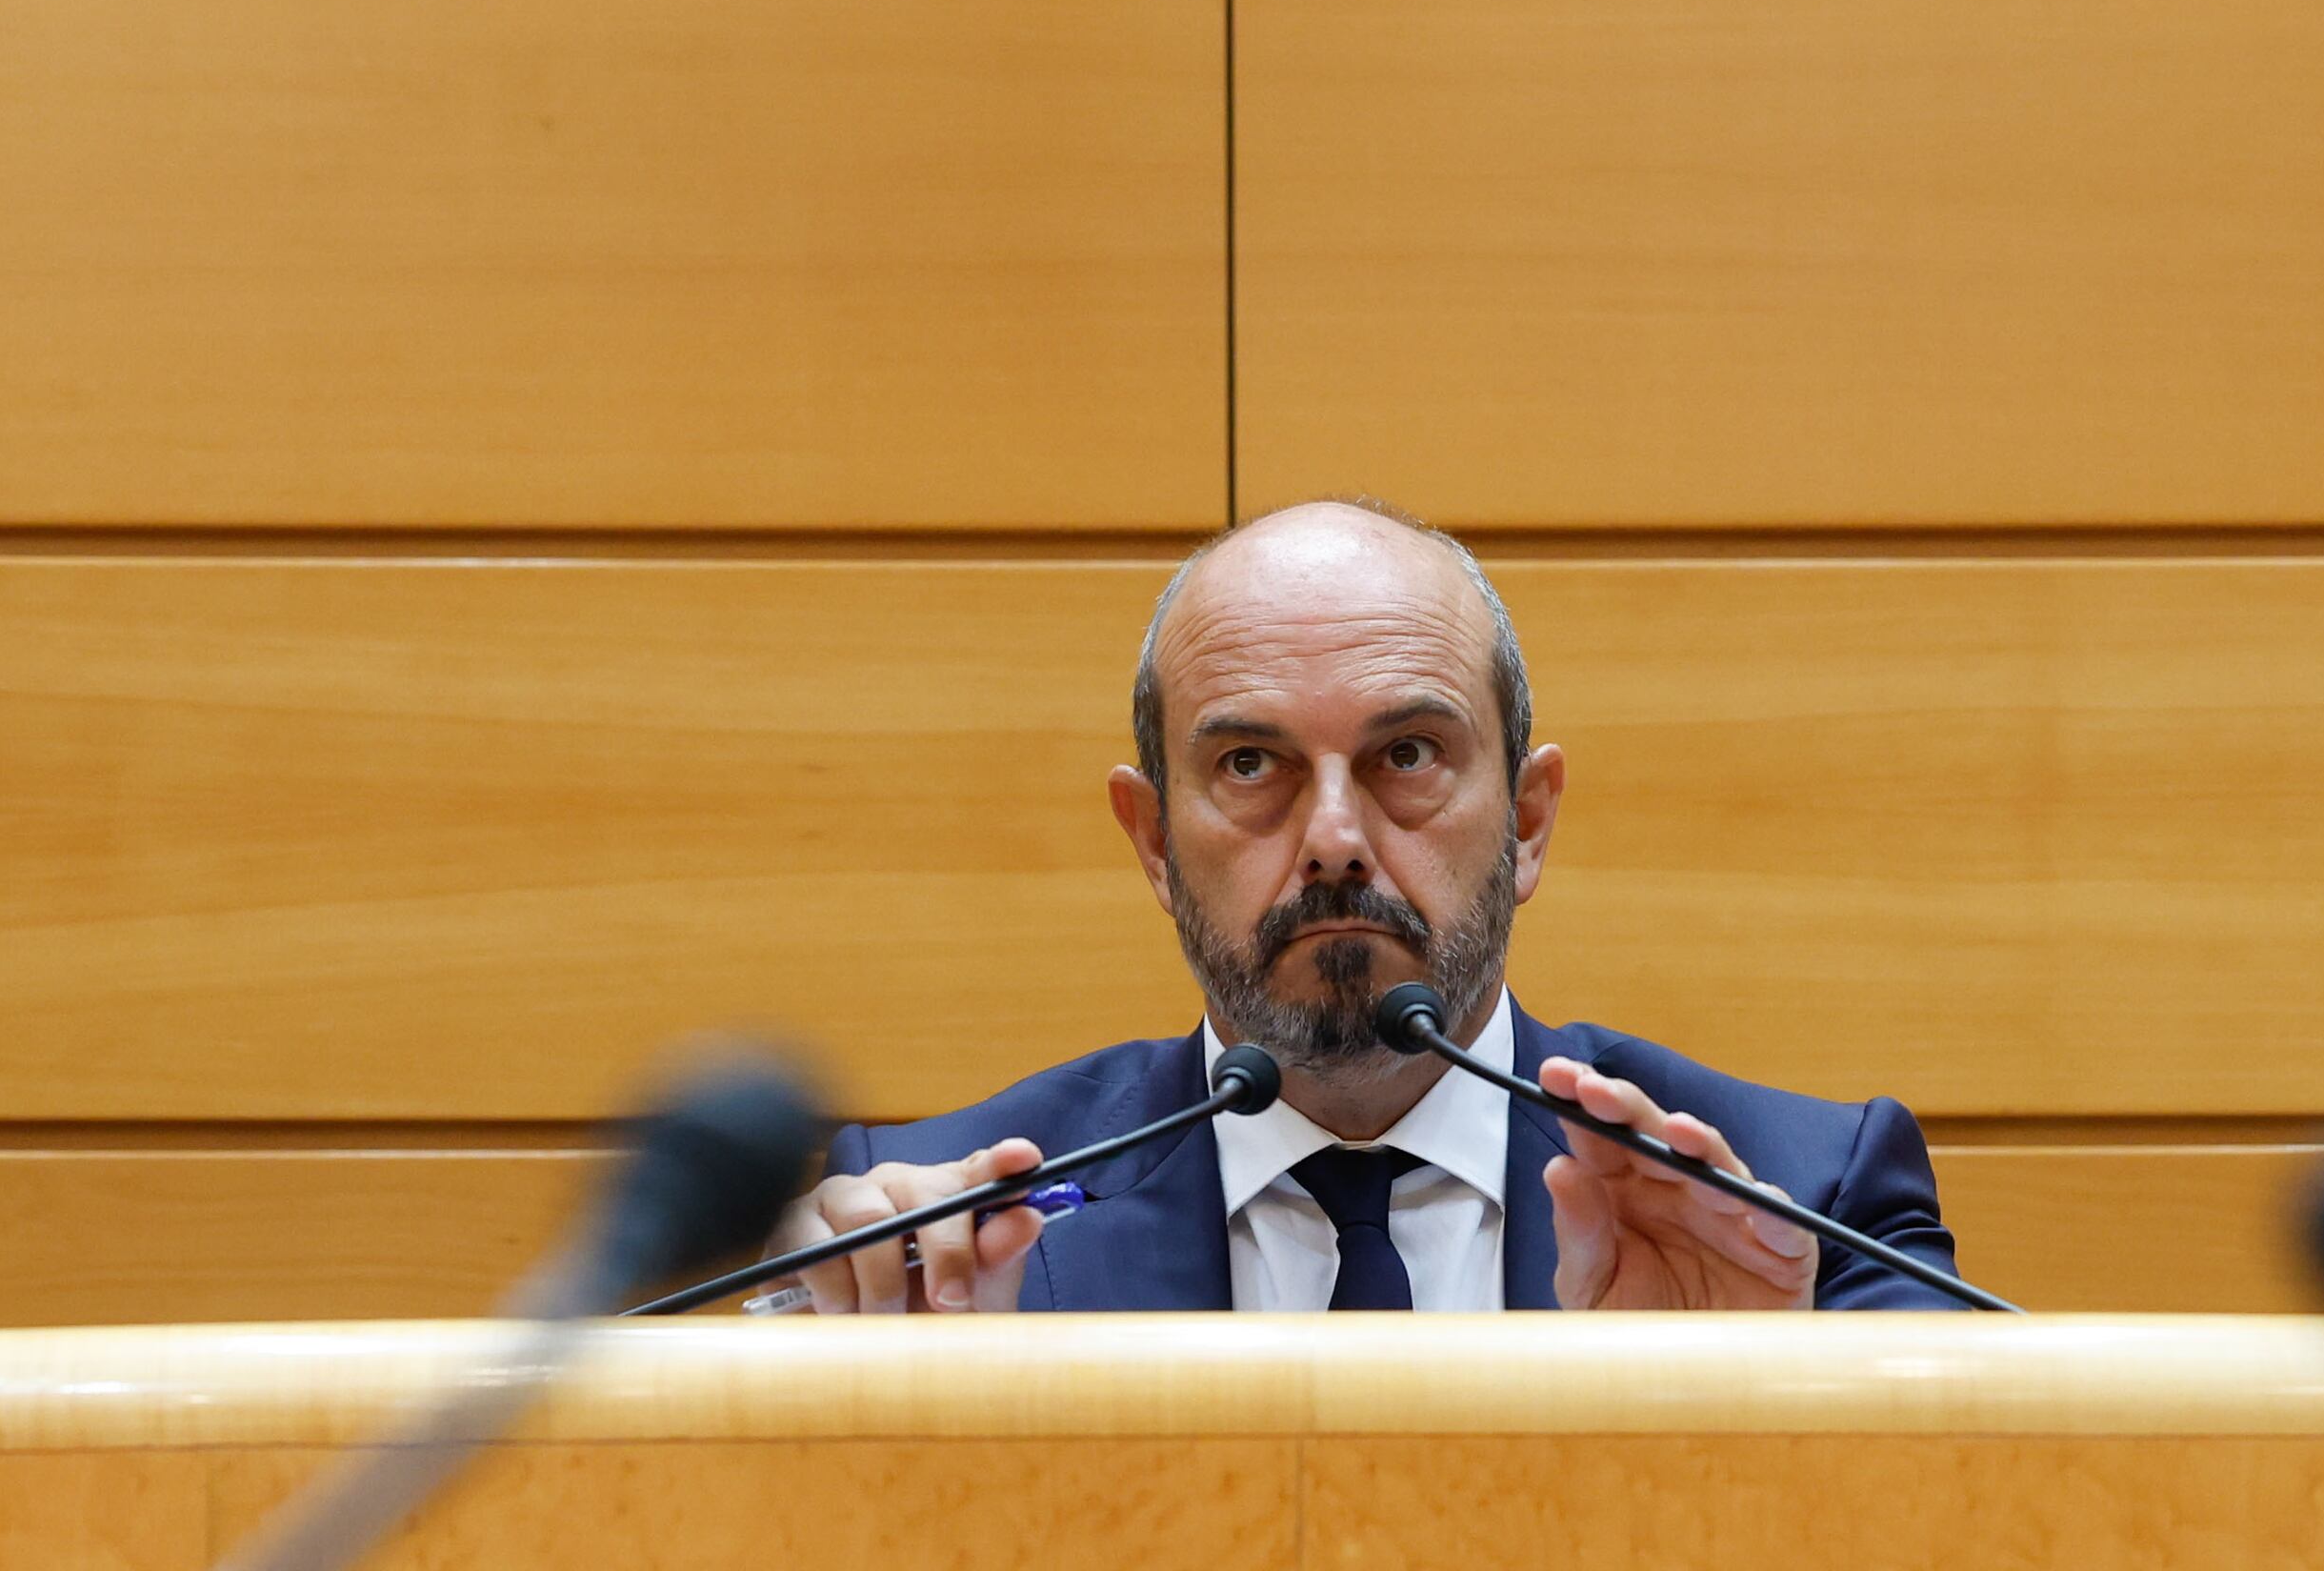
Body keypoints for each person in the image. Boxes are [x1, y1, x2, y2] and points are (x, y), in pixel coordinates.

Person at [756, 499, 1962, 1315]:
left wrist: (1754, 1428)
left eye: (1406, 757)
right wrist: (884, 1434)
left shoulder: (1801, 1209)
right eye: (1248, 767)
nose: (1333, 840)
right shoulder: (937, 1241)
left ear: (1529, 819)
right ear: (1153, 843)